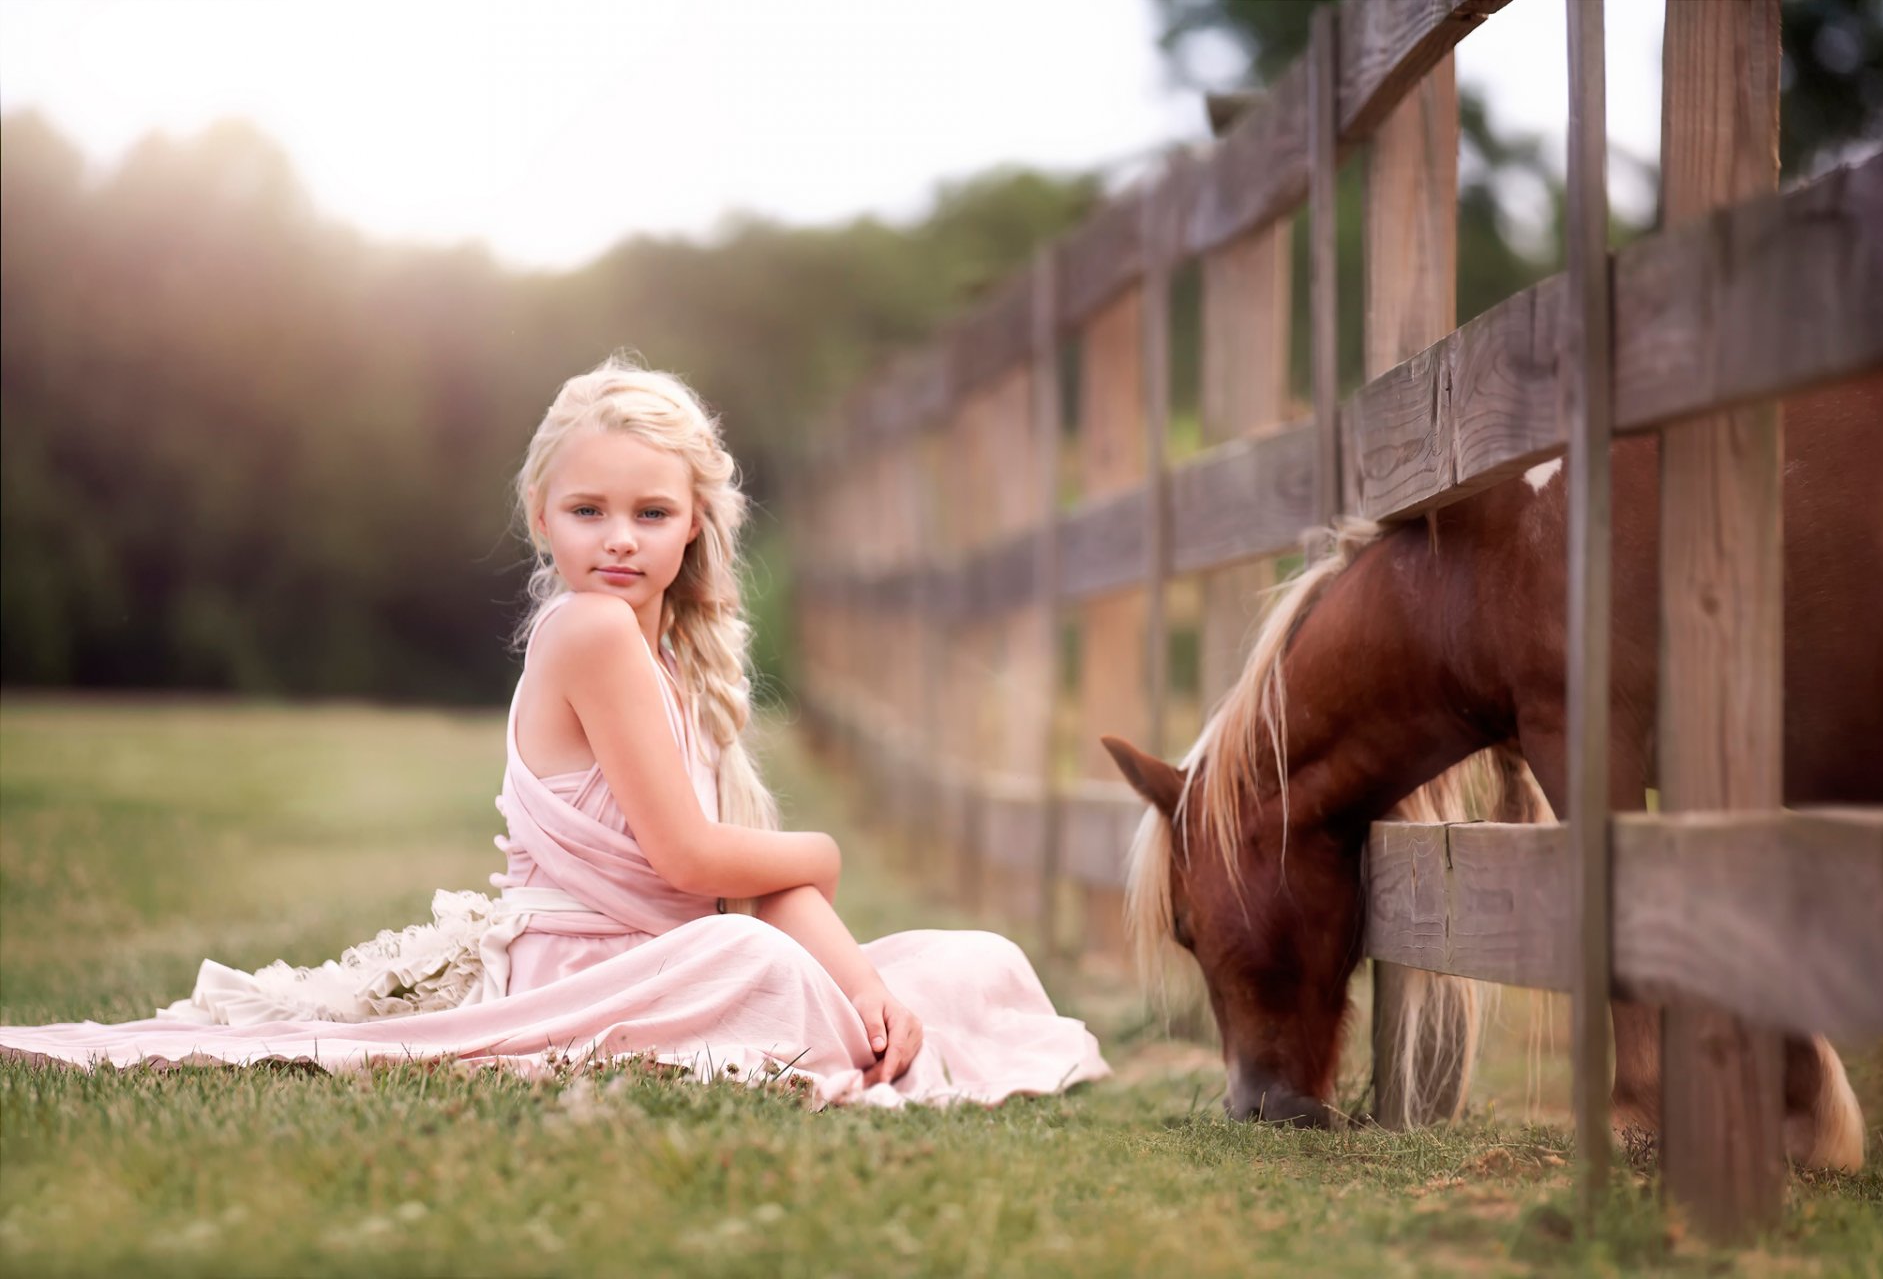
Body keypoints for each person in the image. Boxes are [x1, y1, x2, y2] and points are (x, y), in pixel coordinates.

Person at [0, 354, 1110, 1108]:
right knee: (757, 960)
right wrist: (820, 853)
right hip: (590, 963)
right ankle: (817, 1015)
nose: (619, 539)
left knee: (973, 962)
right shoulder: (588, 630)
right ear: (542, 516)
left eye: (651, 513)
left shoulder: (673, 660)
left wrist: (866, 987)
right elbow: (697, 864)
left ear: (694, 525)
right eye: (589, 511)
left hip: (684, 951)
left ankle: (855, 1016)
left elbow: (748, 882)